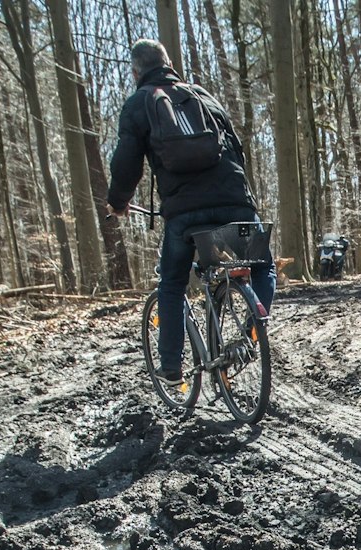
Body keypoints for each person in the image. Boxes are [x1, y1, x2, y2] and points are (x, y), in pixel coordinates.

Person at [107, 40, 275, 384]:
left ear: (136, 72)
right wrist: (240, 197)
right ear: (169, 63)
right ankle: (251, 333)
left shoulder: (140, 103)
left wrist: (119, 202)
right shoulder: (202, 95)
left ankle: (171, 368)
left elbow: (126, 164)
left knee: (171, 283)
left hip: (185, 214)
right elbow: (235, 148)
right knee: (263, 266)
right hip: (236, 201)